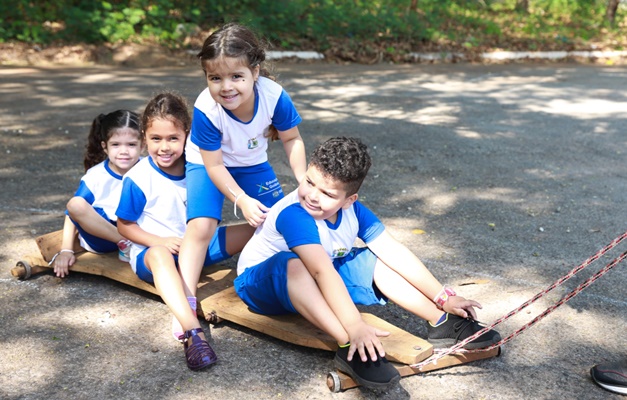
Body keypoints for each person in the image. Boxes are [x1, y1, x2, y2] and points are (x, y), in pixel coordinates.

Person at [234, 137, 502, 389]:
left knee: (374, 259)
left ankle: (440, 321)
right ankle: (350, 346)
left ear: (349, 200)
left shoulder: (355, 211)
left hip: (314, 274)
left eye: (327, 193)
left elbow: (393, 250)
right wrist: (354, 325)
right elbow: (320, 270)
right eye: (309, 182)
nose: (313, 195)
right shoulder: (294, 214)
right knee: (294, 264)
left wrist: (443, 297)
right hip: (261, 283)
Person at [175, 22, 307, 340]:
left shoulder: (275, 97)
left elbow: (292, 139)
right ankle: (184, 300)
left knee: (279, 220)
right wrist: (241, 200)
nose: (226, 87)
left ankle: (296, 281)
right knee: (202, 226)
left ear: (255, 72)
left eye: (236, 76)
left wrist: (304, 180)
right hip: (207, 164)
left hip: (251, 164)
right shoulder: (207, 108)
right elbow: (215, 165)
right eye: (215, 78)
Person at [115, 92, 252, 371]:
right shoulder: (138, 178)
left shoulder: (198, 170)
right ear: (144, 137)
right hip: (152, 255)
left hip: (195, 248)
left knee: (259, 227)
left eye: (173, 138)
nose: (164, 147)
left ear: (187, 135)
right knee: (160, 256)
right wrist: (160, 241)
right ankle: (192, 330)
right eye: (156, 139)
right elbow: (123, 225)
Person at [53, 110, 143, 278]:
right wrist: (66, 250)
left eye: (131, 144)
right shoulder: (96, 176)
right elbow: (72, 214)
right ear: (105, 147)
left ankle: (132, 243)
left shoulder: (148, 169)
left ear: (142, 145)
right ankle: (124, 243)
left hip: (137, 231)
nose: (124, 151)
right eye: (116, 145)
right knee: (75, 204)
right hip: (103, 236)